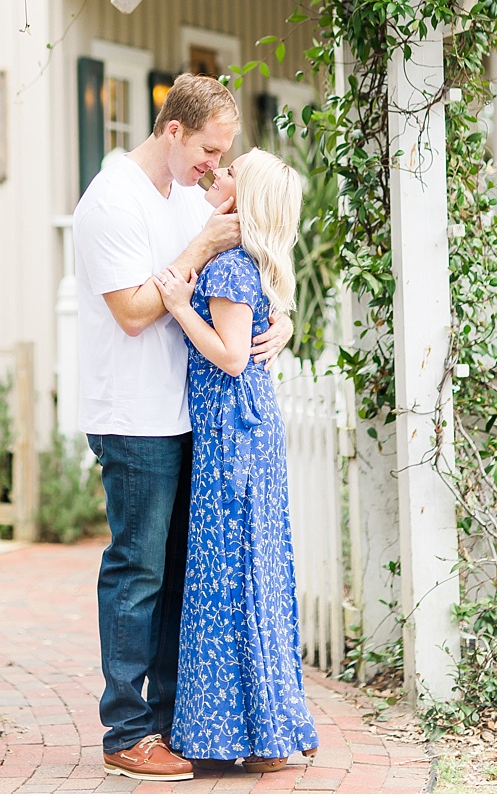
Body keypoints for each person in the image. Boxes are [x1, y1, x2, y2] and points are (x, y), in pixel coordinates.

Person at [72, 74, 292, 784]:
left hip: (189, 413)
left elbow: (250, 270)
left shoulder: (181, 196)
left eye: (222, 153)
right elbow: (136, 310)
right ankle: (126, 729)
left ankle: (173, 722)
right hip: (135, 417)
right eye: (207, 149)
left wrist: (279, 321)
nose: (214, 166)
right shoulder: (112, 202)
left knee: (179, 576)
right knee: (137, 570)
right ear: (173, 131)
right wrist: (197, 248)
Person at [153, 149, 320, 774]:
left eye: (227, 173)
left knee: (230, 573)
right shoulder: (248, 265)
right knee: (255, 568)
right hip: (249, 429)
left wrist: (173, 305)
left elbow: (227, 356)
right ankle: (269, 731)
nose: (214, 174)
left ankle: (244, 735)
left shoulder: (226, 269)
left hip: (230, 433)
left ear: (238, 201)